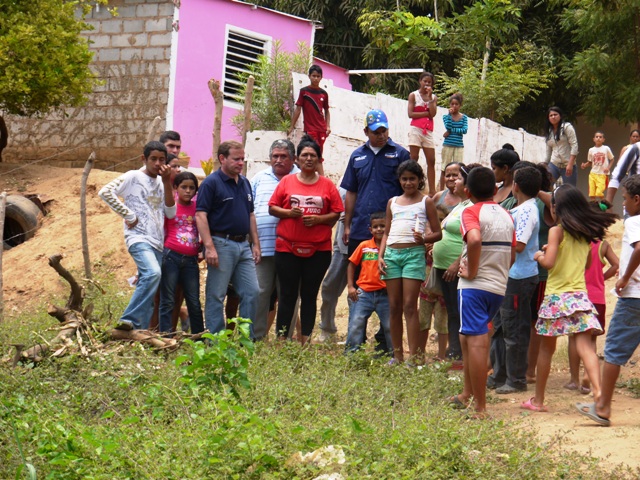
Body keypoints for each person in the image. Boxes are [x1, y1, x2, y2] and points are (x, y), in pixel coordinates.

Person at [522, 184, 617, 413]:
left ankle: (538, 400)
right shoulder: (586, 235)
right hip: (580, 297)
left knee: (547, 350)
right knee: (586, 347)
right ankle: (598, 392)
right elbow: (585, 264)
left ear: (556, 208)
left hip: (556, 298)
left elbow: (550, 263)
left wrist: (539, 255)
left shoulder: (557, 230)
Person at [341, 109, 411, 354]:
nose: (381, 135)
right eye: (376, 131)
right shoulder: (356, 156)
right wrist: (347, 224)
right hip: (362, 228)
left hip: (392, 232)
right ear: (366, 132)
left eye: (384, 130)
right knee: (360, 283)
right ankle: (355, 340)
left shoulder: (400, 154)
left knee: (389, 283)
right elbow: (351, 191)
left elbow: (408, 190)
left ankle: (385, 341)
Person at [447, 167, 515, 417]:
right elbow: (513, 252)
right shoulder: (507, 215)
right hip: (497, 288)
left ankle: (480, 408)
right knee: (468, 338)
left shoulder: (470, 211)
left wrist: (473, 271)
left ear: (467, 191)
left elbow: (474, 240)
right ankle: (467, 393)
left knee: (475, 344)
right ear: (495, 190)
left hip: (474, 287)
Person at [577, 175, 640, 426]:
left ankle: (602, 407)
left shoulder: (635, 221)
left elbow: (638, 249)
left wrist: (624, 278)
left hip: (634, 296)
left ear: (637, 199)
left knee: (614, 351)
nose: (623, 204)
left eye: (625, 199)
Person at [269, 135, 343, 344]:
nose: (309, 159)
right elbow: (272, 207)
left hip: (318, 251)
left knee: (310, 296)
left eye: (313, 155)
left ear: (319, 159)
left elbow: (337, 212)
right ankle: (282, 341)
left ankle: (305, 341)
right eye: (304, 155)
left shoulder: (328, 185)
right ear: (297, 159)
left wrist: (319, 219)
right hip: (287, 249)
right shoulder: (286, 182)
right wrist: (288, 213)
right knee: (287, 296)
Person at [98, 141, 176, 330]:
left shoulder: (162, 181)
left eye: (162, 160)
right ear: (144, 159)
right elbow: (105, 192)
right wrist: (128, 214)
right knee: (152, 273)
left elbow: (171, 213)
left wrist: (167, 182)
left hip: (158, 241)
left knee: (149, 285)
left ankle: (139, 331)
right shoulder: (133, 176)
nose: (158, 164)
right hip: (138, 238)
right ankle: (129, 319)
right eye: (153, 159)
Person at [379, 160, 442, 364]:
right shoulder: (392, 202)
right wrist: (380, 256)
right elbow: (387, 232)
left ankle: (415, 357)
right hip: (391, 256)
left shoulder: (426, 202)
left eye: (412, 179)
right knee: (394, 306)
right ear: (399, 180)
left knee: (409, 306)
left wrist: (424, 239)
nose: (408, 183)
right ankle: (397, 356)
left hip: (414, 255)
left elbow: (438, 233)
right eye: (404, 179)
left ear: (419, 180)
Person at [195, 141, 261, 336]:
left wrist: (255, 244)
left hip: (243, 246)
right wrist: (209, 247)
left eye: (242, 159)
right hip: (221, 244)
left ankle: (246, 338)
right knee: (216, 294)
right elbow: (201, 215)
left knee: (252, 292)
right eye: (236, 159)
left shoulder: (245, 182)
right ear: (222, 158)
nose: (241, 163)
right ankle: (216, 340)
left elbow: (250, 215)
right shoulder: (211, 183)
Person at [488, 166, 541, 394]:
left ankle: (516, 378)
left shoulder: (528, 211)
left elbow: (519, 245)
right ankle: (500, 374)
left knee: (515, 328)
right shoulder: (521, 209)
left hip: (519, 277)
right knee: (501, 327)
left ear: (516, 186)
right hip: (508, 276)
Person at [565, 200, 619, 394]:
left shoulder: (580, 240)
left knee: (574, 337)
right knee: (591, 339)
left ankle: (573, 379)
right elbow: (616, 264)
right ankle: (589, 373)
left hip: (578, 294)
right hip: (598, 297)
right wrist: (601, 278)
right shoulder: (603, 244)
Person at [432, 163, 482, 366]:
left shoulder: (471, 207)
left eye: (458, 178)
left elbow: (470, 239)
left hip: (456, 267)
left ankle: (460, 355)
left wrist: (456, 263)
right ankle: (455, 353)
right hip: (443, 266)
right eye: (449, 176)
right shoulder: (460, 204)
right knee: (451, 310)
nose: (453, 181)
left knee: (458, 311)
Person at [251, 139, 300, 340]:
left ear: (293, 158)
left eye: (283, 156)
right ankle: (256, 338)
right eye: (275, 156)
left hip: (293, 250)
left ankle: (285, 340)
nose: (278, 160)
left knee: (289, 295)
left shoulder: (302, 178)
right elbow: (250, 211)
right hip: (263, 248)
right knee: (260, 293)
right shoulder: (259, 178)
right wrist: (252, 242)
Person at [158, 172, 204, 335]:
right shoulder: (170, 207)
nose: (188, 191)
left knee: (194, 301)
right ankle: (165, 337)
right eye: (184, 187)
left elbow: (204, 229)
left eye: (192, 188)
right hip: (171, 256)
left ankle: (199, 337)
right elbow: (160, 229)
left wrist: (202, 247)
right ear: (176, 188)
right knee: (168, 300)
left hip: (191, 261)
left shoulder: (198, 208)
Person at [345, 212, 392, 352]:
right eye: (375, 226)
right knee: (356, 324)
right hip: (363, 294)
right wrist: (350, 286)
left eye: (382, 226)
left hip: (385, 294)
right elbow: (352, 264)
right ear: (370, 230)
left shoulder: (391, 247)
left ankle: (393, 355)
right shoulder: (364, 245)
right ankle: (352, 355)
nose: (379, 229)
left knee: (390, 326)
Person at [318, 186, 349, 342]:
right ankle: (327, 329)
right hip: (341, 246)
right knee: (329, 286)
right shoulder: (342, 188)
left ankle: (356, 334)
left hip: (366, 246)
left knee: (359, 293)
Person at [289, 65, 330, 176]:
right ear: (309, 76)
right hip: (310, 129)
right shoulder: (304, 92)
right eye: (313, 76)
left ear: (321, 77)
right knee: (310, 153)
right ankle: (316, 179)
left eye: (318, 76)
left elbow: (326, 111)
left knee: (318, 156)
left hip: (321, 129)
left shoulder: (324, 94)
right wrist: (291, 126)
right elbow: (298, 109)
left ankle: (321, 181)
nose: (315, 78)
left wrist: (328, 126)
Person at [407, 72, 438, 195]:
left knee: (431, 160)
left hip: (428, 131)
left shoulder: (433, 97)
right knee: (414, 158)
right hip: (416, 129)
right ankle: (412, 187)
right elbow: (411, 114)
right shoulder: (413, 95)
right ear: (420, 81)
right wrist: (426, 113)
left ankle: (432, 191)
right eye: (425, 81)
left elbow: (433, 113)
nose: (426, 84)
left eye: (429, 82)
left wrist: (430, 99)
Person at [440, 94, 468, 190]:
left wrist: (451, 131)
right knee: (444, 168)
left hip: (459, 146)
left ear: (460, 105)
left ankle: (457, 188)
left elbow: (464, 130)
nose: (454, 106)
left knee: (459, 169)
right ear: (449, 105)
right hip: (447, 145)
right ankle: (441, 189)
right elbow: (448, 126)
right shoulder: (446, 116)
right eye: (452, 104)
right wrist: (449, 116)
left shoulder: (464, 118)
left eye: (456, 104)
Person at [545, 106, 579, 186]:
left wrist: (570, 164)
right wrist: (545, 164)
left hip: (568, 164)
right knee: (545, 185)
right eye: (551, 115)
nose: (553, 117)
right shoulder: (549, 131)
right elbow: (549, 149)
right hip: (554, 163)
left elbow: (574, 146)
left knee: (569, 190)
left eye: (555, 114)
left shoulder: (567, 127)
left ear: (560, 116)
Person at [581, 131, 614, 200]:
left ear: (603, 140)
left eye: (600, 137)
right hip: (593, 174)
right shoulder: (591, 150)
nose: (598, 138)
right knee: (592, 194)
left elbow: (612, 159)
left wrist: (608, 168)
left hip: (602, 174)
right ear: (594, 139)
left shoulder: (606, 148)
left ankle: (605, 206)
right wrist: (585, 165)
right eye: (597, 137)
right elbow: (590, 162)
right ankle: (594, 209)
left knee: (599, 193)